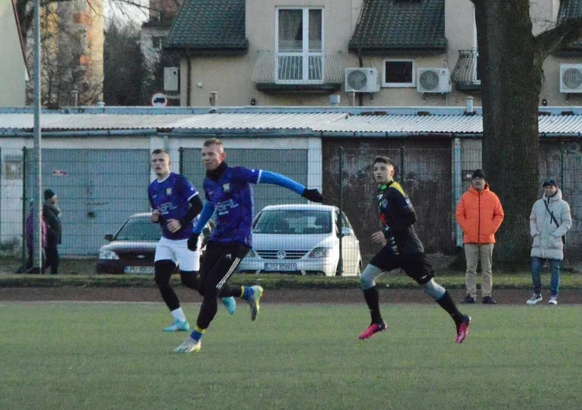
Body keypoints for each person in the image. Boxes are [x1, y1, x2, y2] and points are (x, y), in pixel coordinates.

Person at [174, 138, 323, 354]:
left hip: (238, 241)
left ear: (222, 156)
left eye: (211, 154)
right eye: (203, 154)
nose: (206, 158)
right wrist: (195, 232)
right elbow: (209, 205)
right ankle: (248, 292)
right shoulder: (209, 181)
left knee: (211, 290)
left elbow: (272, 177)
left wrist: (304, 191)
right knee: (204, 285)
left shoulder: (237, 174)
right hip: (217, 239)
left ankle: (195, 338)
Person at [357, 155, 471, 343]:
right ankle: (377, 321)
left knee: (430, 288)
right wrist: (388, 234)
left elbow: (411, 217)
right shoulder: (381, 192)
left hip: (410, 251)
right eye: (375, 169)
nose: (378, 172)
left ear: (392, 172)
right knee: (366, 278)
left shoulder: (395, 191)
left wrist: (387, 232)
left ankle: (461, 319)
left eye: (383, 169)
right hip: (394, 250)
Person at [147, 149, 237, 332]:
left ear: (169, 164)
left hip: (187, 237)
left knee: (189, 280)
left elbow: (198, 205)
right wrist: (156, 218)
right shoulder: (152, 188)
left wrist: (181, 222)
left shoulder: (179, 181)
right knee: (161, 279)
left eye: (161, 160)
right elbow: (162, 215)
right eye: (155, 161)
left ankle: (224, 291)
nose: (158, 164)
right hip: (167, 240)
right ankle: (180, 321)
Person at [455, 169, 505, 305]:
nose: (477, 181)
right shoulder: (465, 197)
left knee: (487, 269)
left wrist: (491, 229)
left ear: (484, 181)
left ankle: (487, 295)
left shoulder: (493, 197)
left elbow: (499, 214)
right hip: (470, 240)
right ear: (472, 181)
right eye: (475, 178)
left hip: (487, 240)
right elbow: (459, 214)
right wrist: (467, 229)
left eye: (480, 178)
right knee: (470, 269)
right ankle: (471, 294)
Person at [527, 178, 572, 305]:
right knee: (535, 269)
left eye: (550, 187)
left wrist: (556, 234)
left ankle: (553, 296)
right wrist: (534, 232)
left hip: (554, 244)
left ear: (556, 188)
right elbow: (532, 219)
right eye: (546, 187)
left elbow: (567, 222)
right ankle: (537, 294)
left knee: (555, 271)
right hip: (539, 243)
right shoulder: (538, 204)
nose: (548, 190)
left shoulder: (563, 205)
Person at [42, 189, 62, 274]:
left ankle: (38, 270)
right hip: (50, 239)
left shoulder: (53, 210)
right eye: (54, 198)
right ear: (50, 199)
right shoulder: (46, 210)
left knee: (51, 260)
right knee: (55, 260)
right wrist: (53, 233)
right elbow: (45, 225)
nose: (56, 199)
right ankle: (53, 275)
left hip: (54, 238)